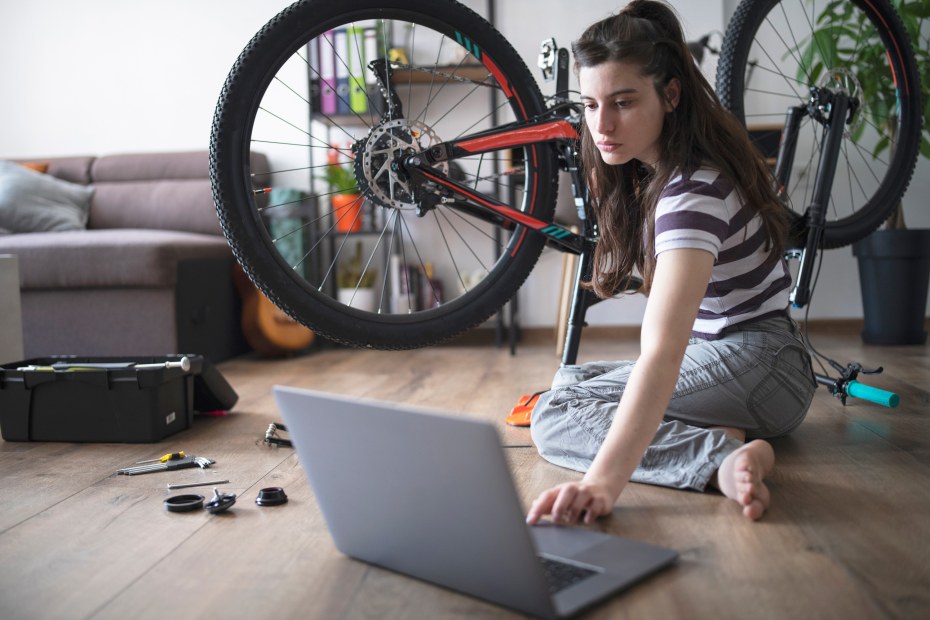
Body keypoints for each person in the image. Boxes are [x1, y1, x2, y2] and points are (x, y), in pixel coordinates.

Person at [526, 0, 816, 525]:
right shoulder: (665, 172)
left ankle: (718, 459)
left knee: (554, 414)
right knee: (569, 383)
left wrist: (601, 484)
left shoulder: (690, 195)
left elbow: (662, 352)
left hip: (762, 366)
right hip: (753, 364)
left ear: (671, 95)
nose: (602, 124)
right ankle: (725, 435)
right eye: (590, 106)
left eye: (623, 102)